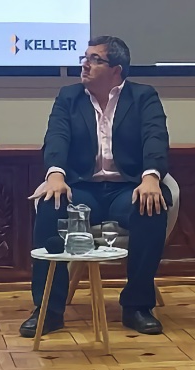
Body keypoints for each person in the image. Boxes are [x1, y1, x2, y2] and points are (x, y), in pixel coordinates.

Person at [27, 36, 171, 338]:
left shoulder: (143, 96)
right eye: (85, 57)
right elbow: (56, 138)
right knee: (50, 206)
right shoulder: (69, 96)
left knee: (151, 208)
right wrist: (55, 174)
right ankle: (48, 309)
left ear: (116, 69)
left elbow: (155, 139)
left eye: (94, 59)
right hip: (82, 187)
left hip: (126, 187)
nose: (85, 64)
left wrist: (150, 177)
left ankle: (137, 306)